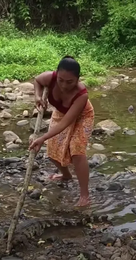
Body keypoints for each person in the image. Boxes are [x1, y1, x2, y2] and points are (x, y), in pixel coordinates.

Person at [28, 56, 94, 207]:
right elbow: (37, 81)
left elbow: (65, 123)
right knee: (53, 151)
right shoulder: (49, 78)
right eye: (61, 80)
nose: (64, 85)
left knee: (77, 150)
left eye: (69, 82)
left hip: (82, 116)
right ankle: (66, 175)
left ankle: (85, 195)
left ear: (77, 79)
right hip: (61, 112)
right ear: (56, 74)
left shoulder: (81, 95)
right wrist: (38, 97)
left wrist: (42, 138)